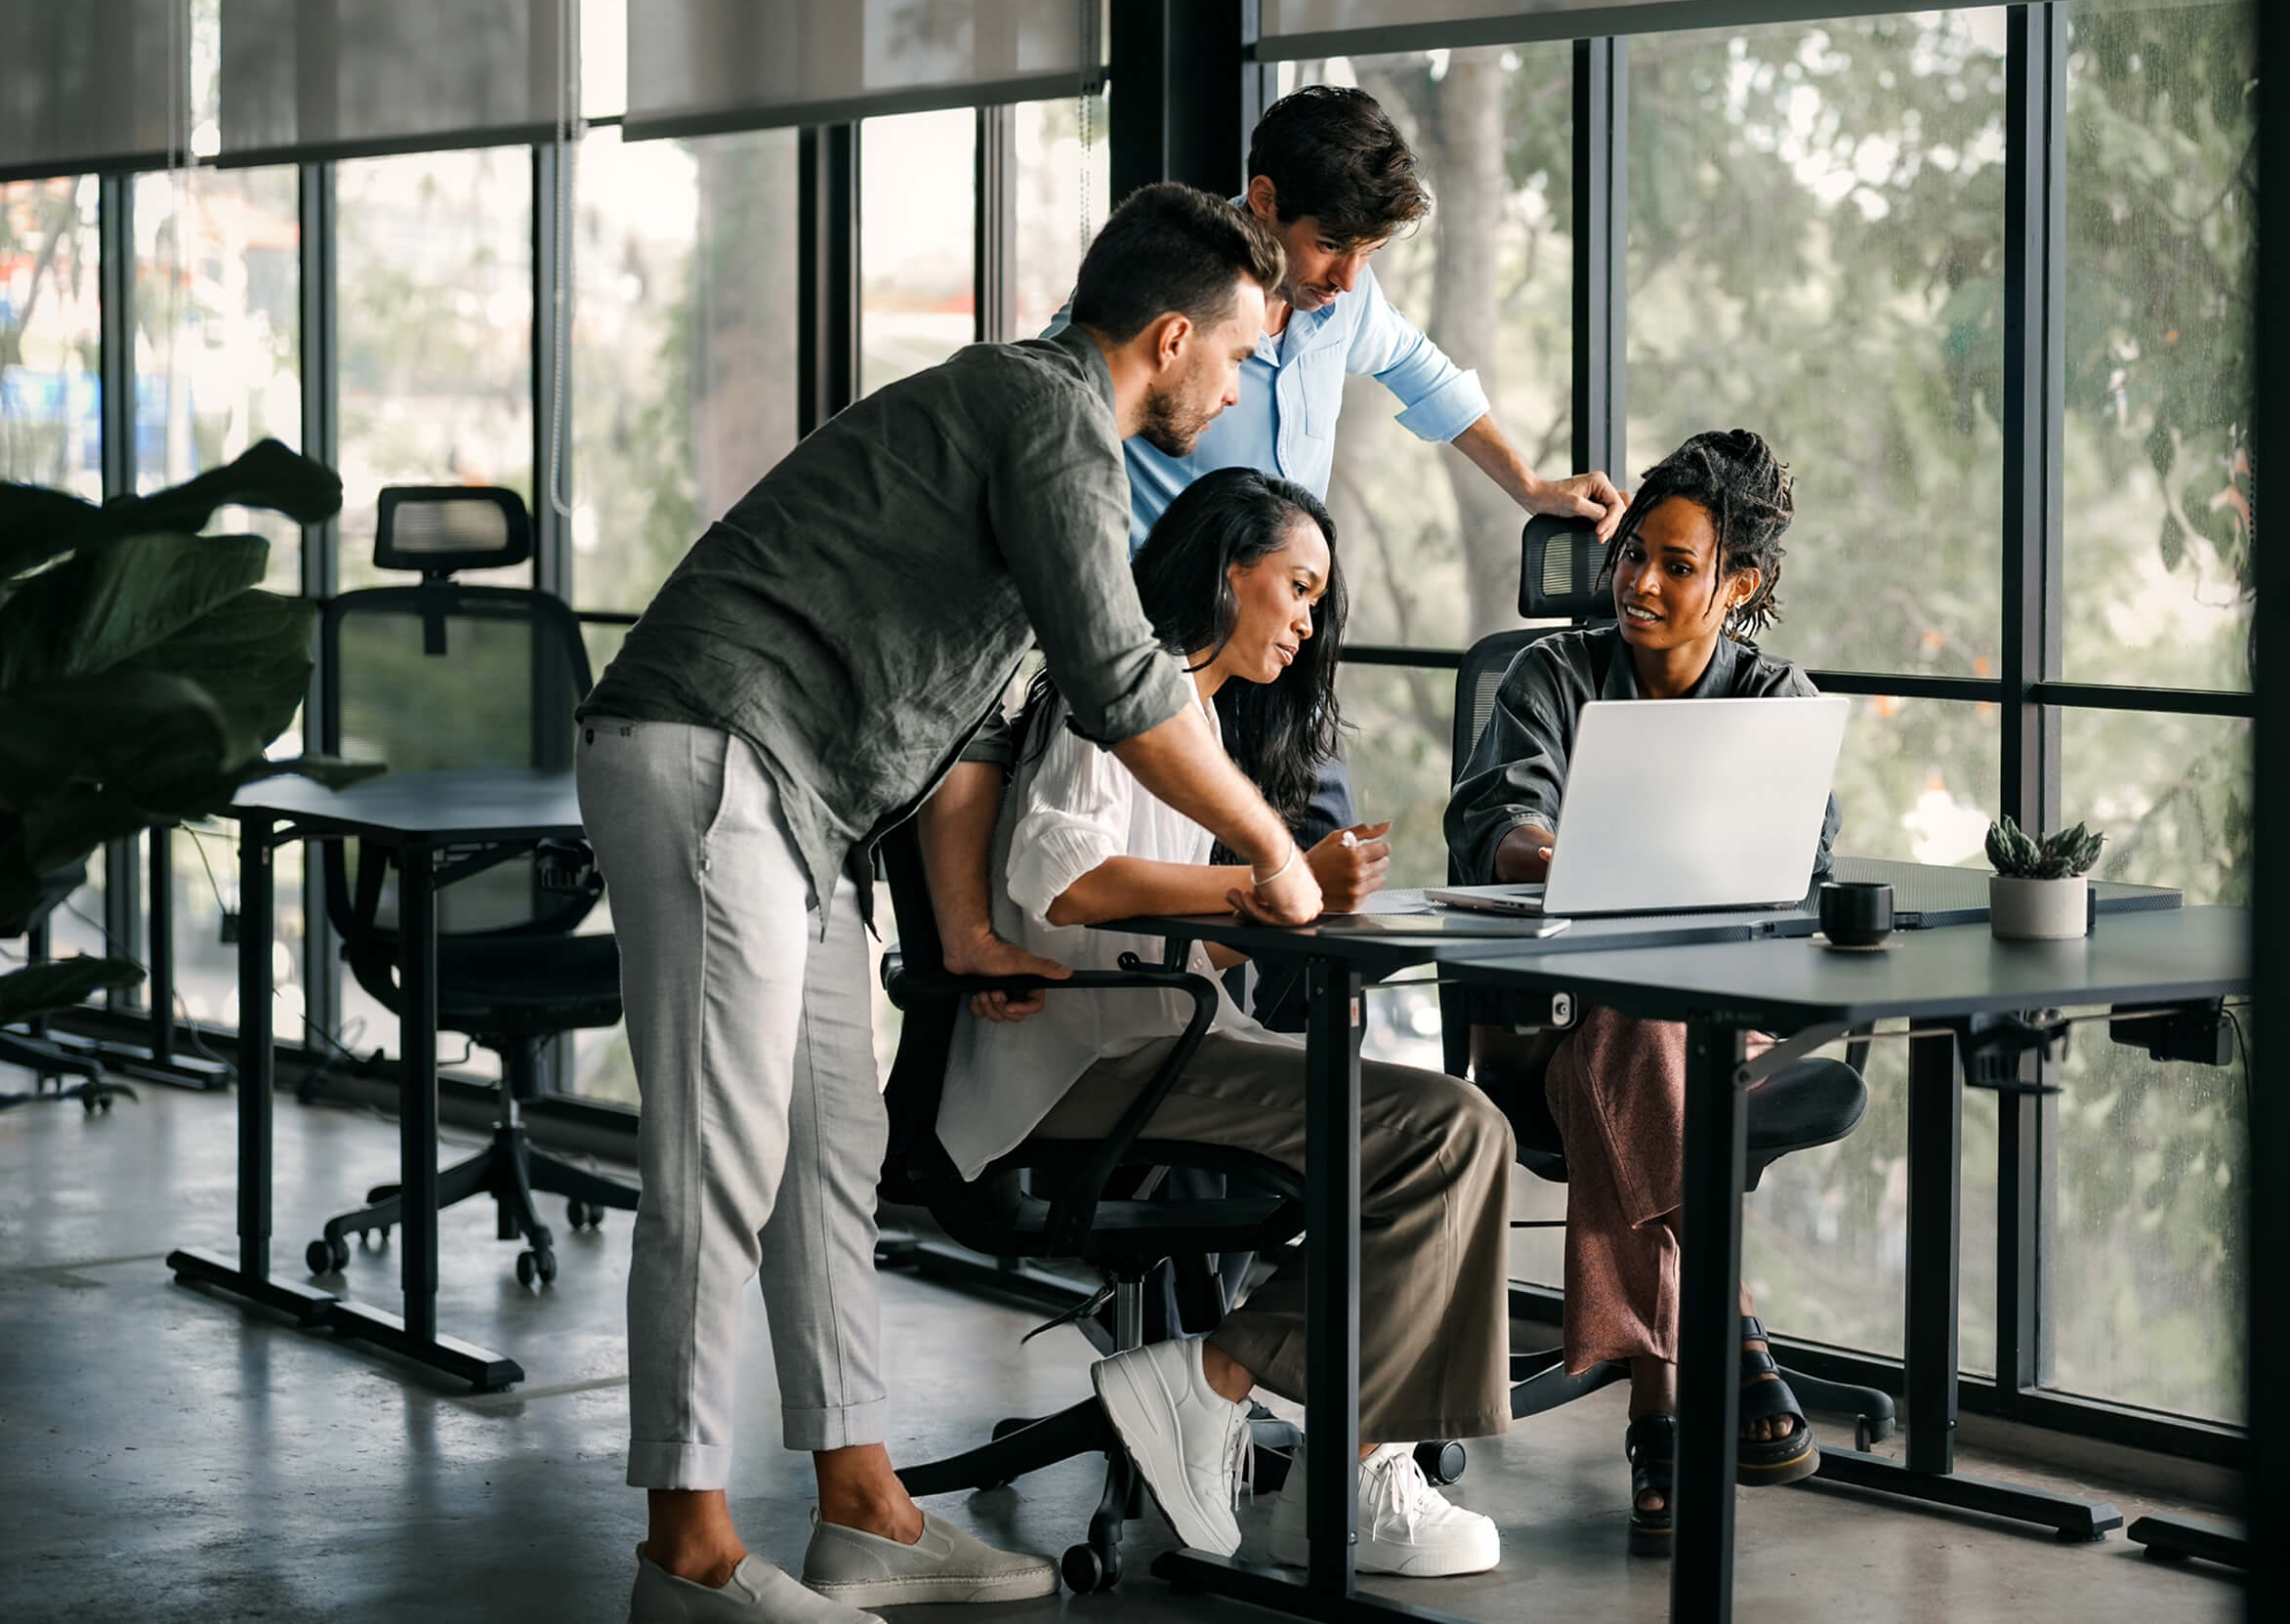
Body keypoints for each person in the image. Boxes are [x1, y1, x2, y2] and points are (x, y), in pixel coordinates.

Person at [575, 185, 1324, 1624]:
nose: (1237, 392)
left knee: (829, 1156)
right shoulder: (1047, 415)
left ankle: (864, 1510)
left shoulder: (1029, 421)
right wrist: (1265, 850)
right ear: (1170, 338)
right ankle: (687, 1555)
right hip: (711, 749)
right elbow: (1117, 681)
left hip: (797, 804)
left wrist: (967, 927)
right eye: (1235, 358)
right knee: (721, 1167)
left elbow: (957, 711)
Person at [936, 468, 1514, 1578]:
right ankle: (1270, 1409)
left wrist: (1288, 903)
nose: (1306, 621)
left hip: (1158, 1035)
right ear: (1224, 568)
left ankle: (1312, 1430)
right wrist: (1271, 875)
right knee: (1450, 1133)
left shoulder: (1192, 714)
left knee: (1443, 1134)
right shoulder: (1120, 691)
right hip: (1088, 1062)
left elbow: (1172, 939)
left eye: (1316, 602)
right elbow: (1061, 875)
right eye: (1296, 586)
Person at [1033, 84, 1628, 850]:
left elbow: (1423, 371)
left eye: (1368, 254)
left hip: (1280, 639)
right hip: (1164, 648)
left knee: (1328, 861)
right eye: (1332, 244)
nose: (1347, 277)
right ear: (1265, 199)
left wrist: (1530, 486)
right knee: (1209, 878)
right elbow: (1053, 389)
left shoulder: (1342, 299)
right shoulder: (1169, 279)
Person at [1438, 429, 1839, 1556]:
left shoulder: (1776, 700)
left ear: (1738, 584)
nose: (1641, 583)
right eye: (1633, 558)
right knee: (1632, 1019)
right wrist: (1566, 859)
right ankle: (1727, 1321)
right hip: (1548, 1019)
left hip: (1725, 1022)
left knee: (1650, 1029)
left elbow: (1799, 874)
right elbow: (1499, 826)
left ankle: (1662, 1407)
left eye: (1676, 563)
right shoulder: (1549, 675)